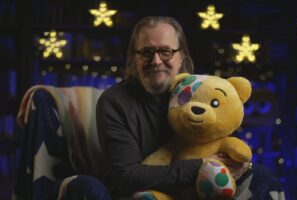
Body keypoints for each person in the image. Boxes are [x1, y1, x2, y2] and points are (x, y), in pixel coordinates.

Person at [96, 16, 285, 200]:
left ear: (181, 57)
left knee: (264, 179)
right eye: (146, 52)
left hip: (202, 186)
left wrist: (239, 164)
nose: (156, 61)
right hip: (147, 192)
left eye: (165, 51)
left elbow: (221, 144)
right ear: (134, 58)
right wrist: (202, 165)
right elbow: (128, 178)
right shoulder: (114, 102)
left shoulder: (195, 92)